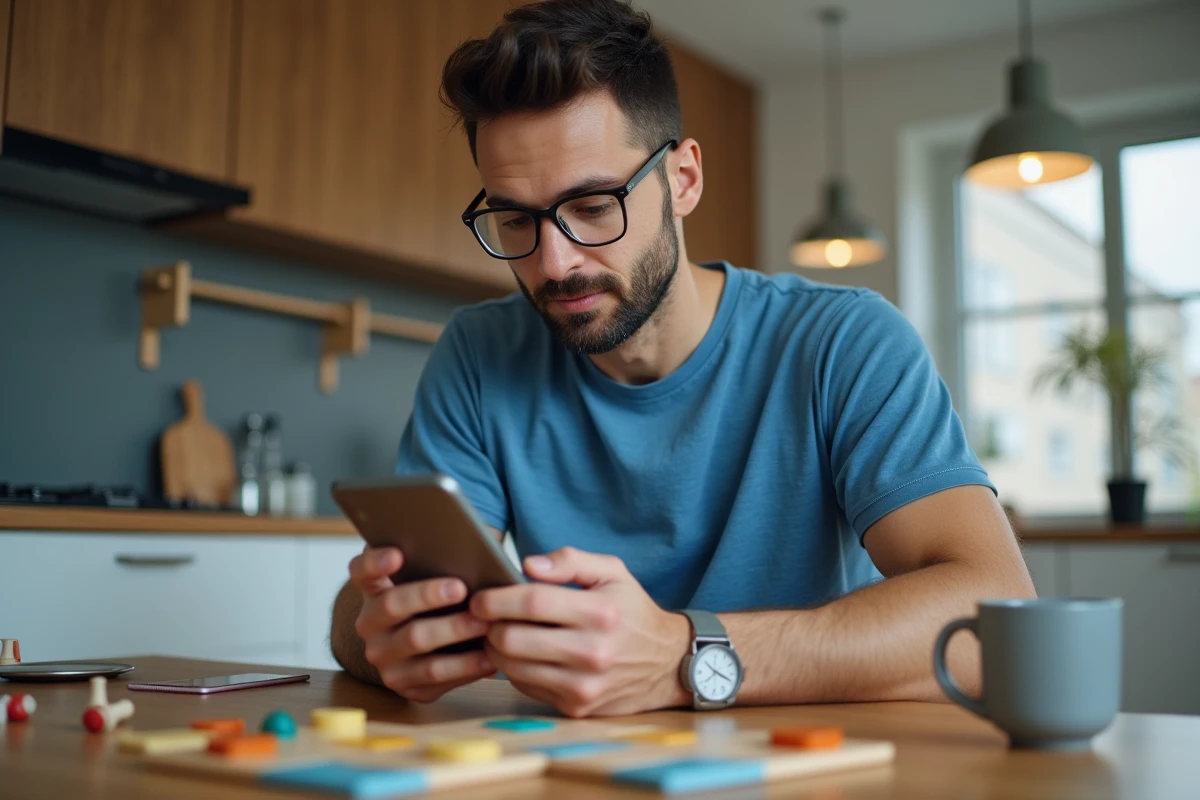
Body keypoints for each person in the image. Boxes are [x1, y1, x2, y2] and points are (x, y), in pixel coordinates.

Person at [330, 0, 1034, 718]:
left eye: (595, 206)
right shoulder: (479, 354)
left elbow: (994, 616)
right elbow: (361, 615)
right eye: (515, 219)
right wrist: (381, 633)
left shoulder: (843, 343)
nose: (555, 260)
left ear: (683, 180)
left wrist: (686, 655)